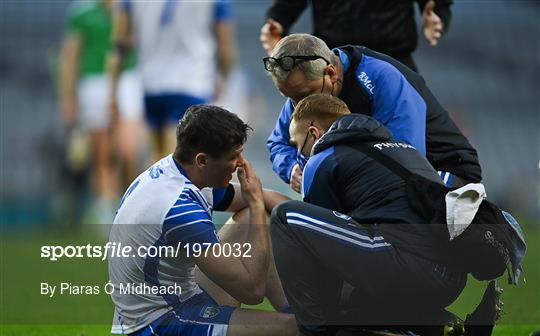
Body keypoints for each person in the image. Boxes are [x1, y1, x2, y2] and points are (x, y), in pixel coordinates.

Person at [267, 94, 501, 336]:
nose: (299, 155)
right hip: (449, 278)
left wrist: (319, 317)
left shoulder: (325, 157)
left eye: (299, 145)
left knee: (285, 218)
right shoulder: (405, 148)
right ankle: (447, 329)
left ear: (314, 132)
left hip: (409, 263)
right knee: (343, 307)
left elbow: (320, 256)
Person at [108, 105, 296, 336]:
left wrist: (317, 225)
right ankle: (304, 326)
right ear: (203, 160)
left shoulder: (178, 172)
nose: (241, 164)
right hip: (163, 327)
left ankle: (298, 314)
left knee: (258, 214)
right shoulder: (179, 209)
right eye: (234, 156)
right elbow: (252, 291)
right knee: (301, 330)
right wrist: (254, 202)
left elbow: (269, 199)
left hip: (183, 296)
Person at [264, 33, 481, 194]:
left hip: (442, 172)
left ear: (331, 73)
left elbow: (406, 157)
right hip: (384, 176)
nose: (296, 105)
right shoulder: (304, 89)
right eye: (288, 97)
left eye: (303, 95)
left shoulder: (381, 77)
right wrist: (291, 167)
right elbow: (278, 143)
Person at [109, 0, 236, 161]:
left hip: (151, 83)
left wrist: (113, 90)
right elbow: (226, 49)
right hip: (192, 82)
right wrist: (222, 80)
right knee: (183, 160)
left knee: (158, 159)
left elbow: (120, 44)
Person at [59, 0, 145, 223]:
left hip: (127, 79)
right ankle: (108, 211)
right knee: (103, 153)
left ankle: (133, 204)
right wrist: (69, 97)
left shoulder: (131, 7)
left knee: (128, 149)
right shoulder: (83, 11)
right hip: (93, 82)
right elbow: (71, 56)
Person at [260, 0, 453, 71]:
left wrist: (437, 14)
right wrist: (278, 21)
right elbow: (287, 5)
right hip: (333, 63)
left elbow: (438, 4)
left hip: (394, 60)